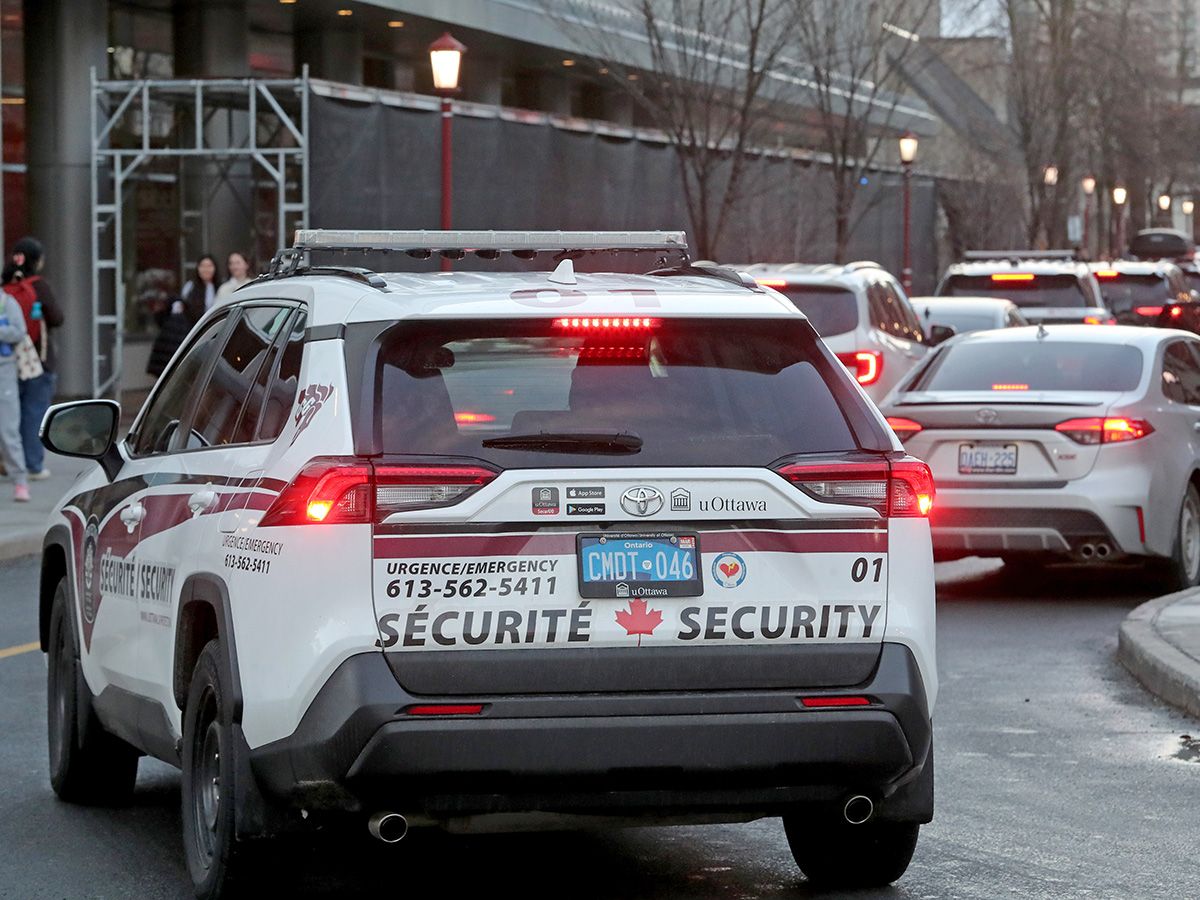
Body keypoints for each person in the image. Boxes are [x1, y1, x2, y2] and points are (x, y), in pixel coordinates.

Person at [4, 236, 65, 480]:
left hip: (7, 359)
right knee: (34, 411)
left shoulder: (4, 285)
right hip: (36, 359)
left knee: (9, 414)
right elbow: (58, 318)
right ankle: (33, 465)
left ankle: (9, 462)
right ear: (37, 260)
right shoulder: (39, 285)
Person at [148, 255, 218, 378]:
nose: (206, 270)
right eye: (203, 266)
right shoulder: (190, 287)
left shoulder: (219, 288)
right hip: (193, 333)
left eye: (209, 266)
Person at [0, 290, 29, 501]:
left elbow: (20, 331)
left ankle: (20, 481)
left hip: (4, 371)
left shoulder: (7, 302)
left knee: (8, 429)